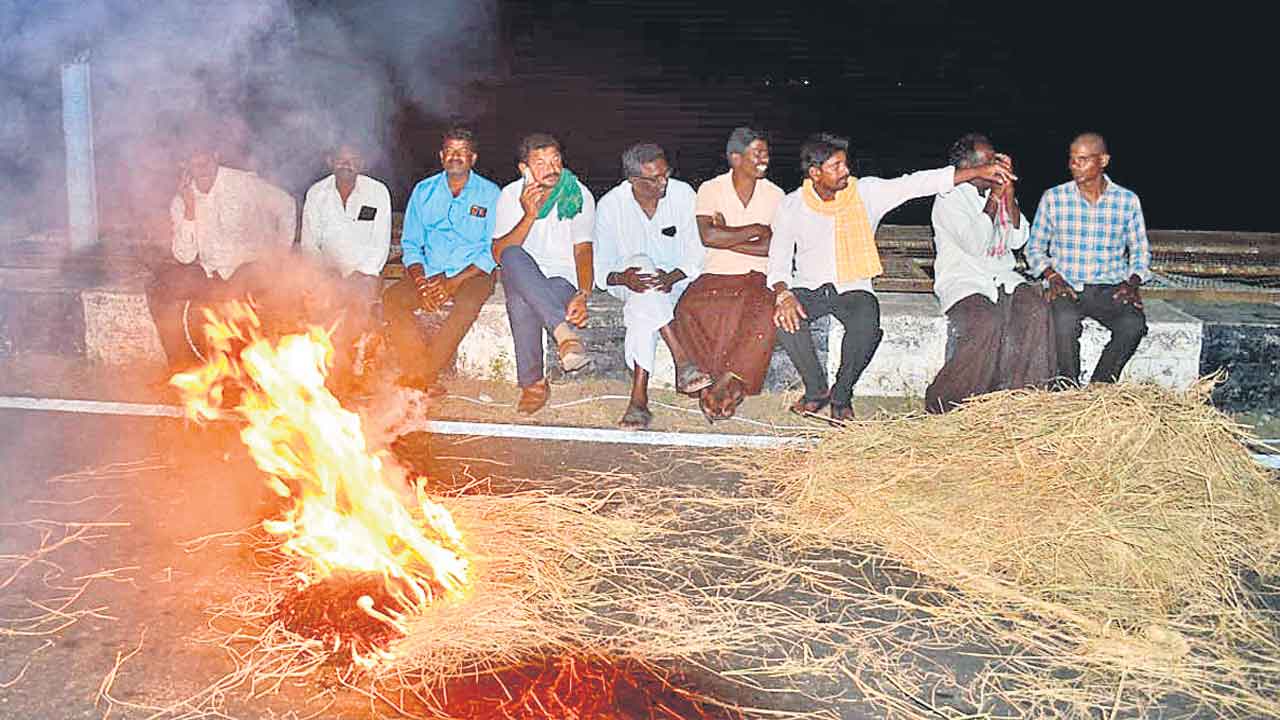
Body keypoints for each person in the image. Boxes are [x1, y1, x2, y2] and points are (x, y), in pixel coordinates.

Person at [769, 133, 1015, 421]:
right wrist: (783, 294)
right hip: (809, 286)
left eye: (845, 164)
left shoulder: (866, 193)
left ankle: (842, 395)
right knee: (784, 323)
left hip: (853, 285)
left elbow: (918, 182)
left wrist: (976, 171)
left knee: (866, 323)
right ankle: (816, 390)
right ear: (815, 173)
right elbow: (779, 260)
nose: (845, 171)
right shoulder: (792, 205)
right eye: (835, 167)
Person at [924, 133, 1054, 413]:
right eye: (987, 163)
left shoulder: (998, 191)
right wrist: (995, 198)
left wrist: (1009, 196)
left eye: (995, 160)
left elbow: (1019, 239)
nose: (995, 167)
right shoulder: (949, 198)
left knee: (1036, 311)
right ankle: (945, 402)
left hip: (1002, 276)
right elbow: (976, 243)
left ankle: (1016, 398)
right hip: (963, 279)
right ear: (968, 168)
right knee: (986, 322)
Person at [668, 127, 785, 422]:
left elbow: (777, 247)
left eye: (766, 152)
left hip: (758, 274)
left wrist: (729, 235)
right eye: (757, 153)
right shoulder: (711, 189)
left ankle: (723, 384)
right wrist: (757, 232)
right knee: (688, 308)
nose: (765, 159)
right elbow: (708, 236)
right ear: (735, 158)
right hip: (715, 271)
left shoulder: (775, 194)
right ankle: (715, 381)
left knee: (763, 312)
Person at [146, 142, 296, 369]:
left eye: (205, 161)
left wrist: (279, 257)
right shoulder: (181, 201)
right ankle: (183, 367)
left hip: (251, 270)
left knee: (248, 285)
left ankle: (251, 367)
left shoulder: (243, 184)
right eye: (194, 165)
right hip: (213, 275)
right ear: (185, 166)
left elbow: (286, 205)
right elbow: (185, 257)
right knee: (160, 287)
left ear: (215, 156)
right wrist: (189, 209)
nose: (202, 169)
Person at [594, 143, 710, 428]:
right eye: (655, 178)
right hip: (628, 283)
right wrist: (625, 278)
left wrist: (672, 276)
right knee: (642, 267)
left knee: (642, 308)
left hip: (678, 281)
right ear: (633, 180)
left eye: (665, 173)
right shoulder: (611, 204)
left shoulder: (683, 194)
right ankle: (681, 360)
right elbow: (602, 271)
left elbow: (696, 253)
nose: (664, 181)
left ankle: (639, 399)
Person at [382, 127, 501, 398]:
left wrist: (452, 283)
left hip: (473, 273)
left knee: (468, 304)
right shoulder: (424, 191)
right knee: (392, 299)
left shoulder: (490, 193)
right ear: (441, 156)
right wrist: (422, 282)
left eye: (462, 152)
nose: (455, 156)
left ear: (473, 158)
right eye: (450, 151)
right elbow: (411, 244)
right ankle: (417, 368)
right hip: (431, 271)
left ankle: (424, 375)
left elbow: (491, 250)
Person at [1027, 133, 1150, 386]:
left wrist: (1133, 282)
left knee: (1133, 325)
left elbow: (1139, 252)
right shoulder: (1054, 198)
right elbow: (1034, 249)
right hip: (1067, 285)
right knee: (1063, 322)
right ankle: (1067, 389)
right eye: (1072, 160)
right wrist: (1052, 276)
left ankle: (1099, 389)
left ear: (1103, 160)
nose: (1074, 166)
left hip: (1111, 286)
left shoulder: (1126, 201)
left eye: (1083, 160)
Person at [491, 133, 596, 414]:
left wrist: (583, 294)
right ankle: (564, 335)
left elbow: (583, 250)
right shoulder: (511, 195)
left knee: (522, 300)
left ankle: (533, 383)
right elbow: (498, 253)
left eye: (555, 160)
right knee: (513, 254)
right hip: (519, 271)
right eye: (540, 162)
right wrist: (529, 215)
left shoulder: (579, 194)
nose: (551, 169)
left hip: (560, 280)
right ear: (524, 168)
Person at [299, 143, 392, 385]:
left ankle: (351, 369)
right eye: (341, 159)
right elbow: (310, 244)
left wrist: (360, 273)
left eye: (353, 159)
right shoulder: (317, 193)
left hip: (365, 273)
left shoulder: (377, 192)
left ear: (362, 163)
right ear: (330, 161)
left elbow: (380, 244)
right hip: (326, 272)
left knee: (358, 301)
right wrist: (326, 273)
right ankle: (321, 368)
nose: (346, 164)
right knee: (315, 300)